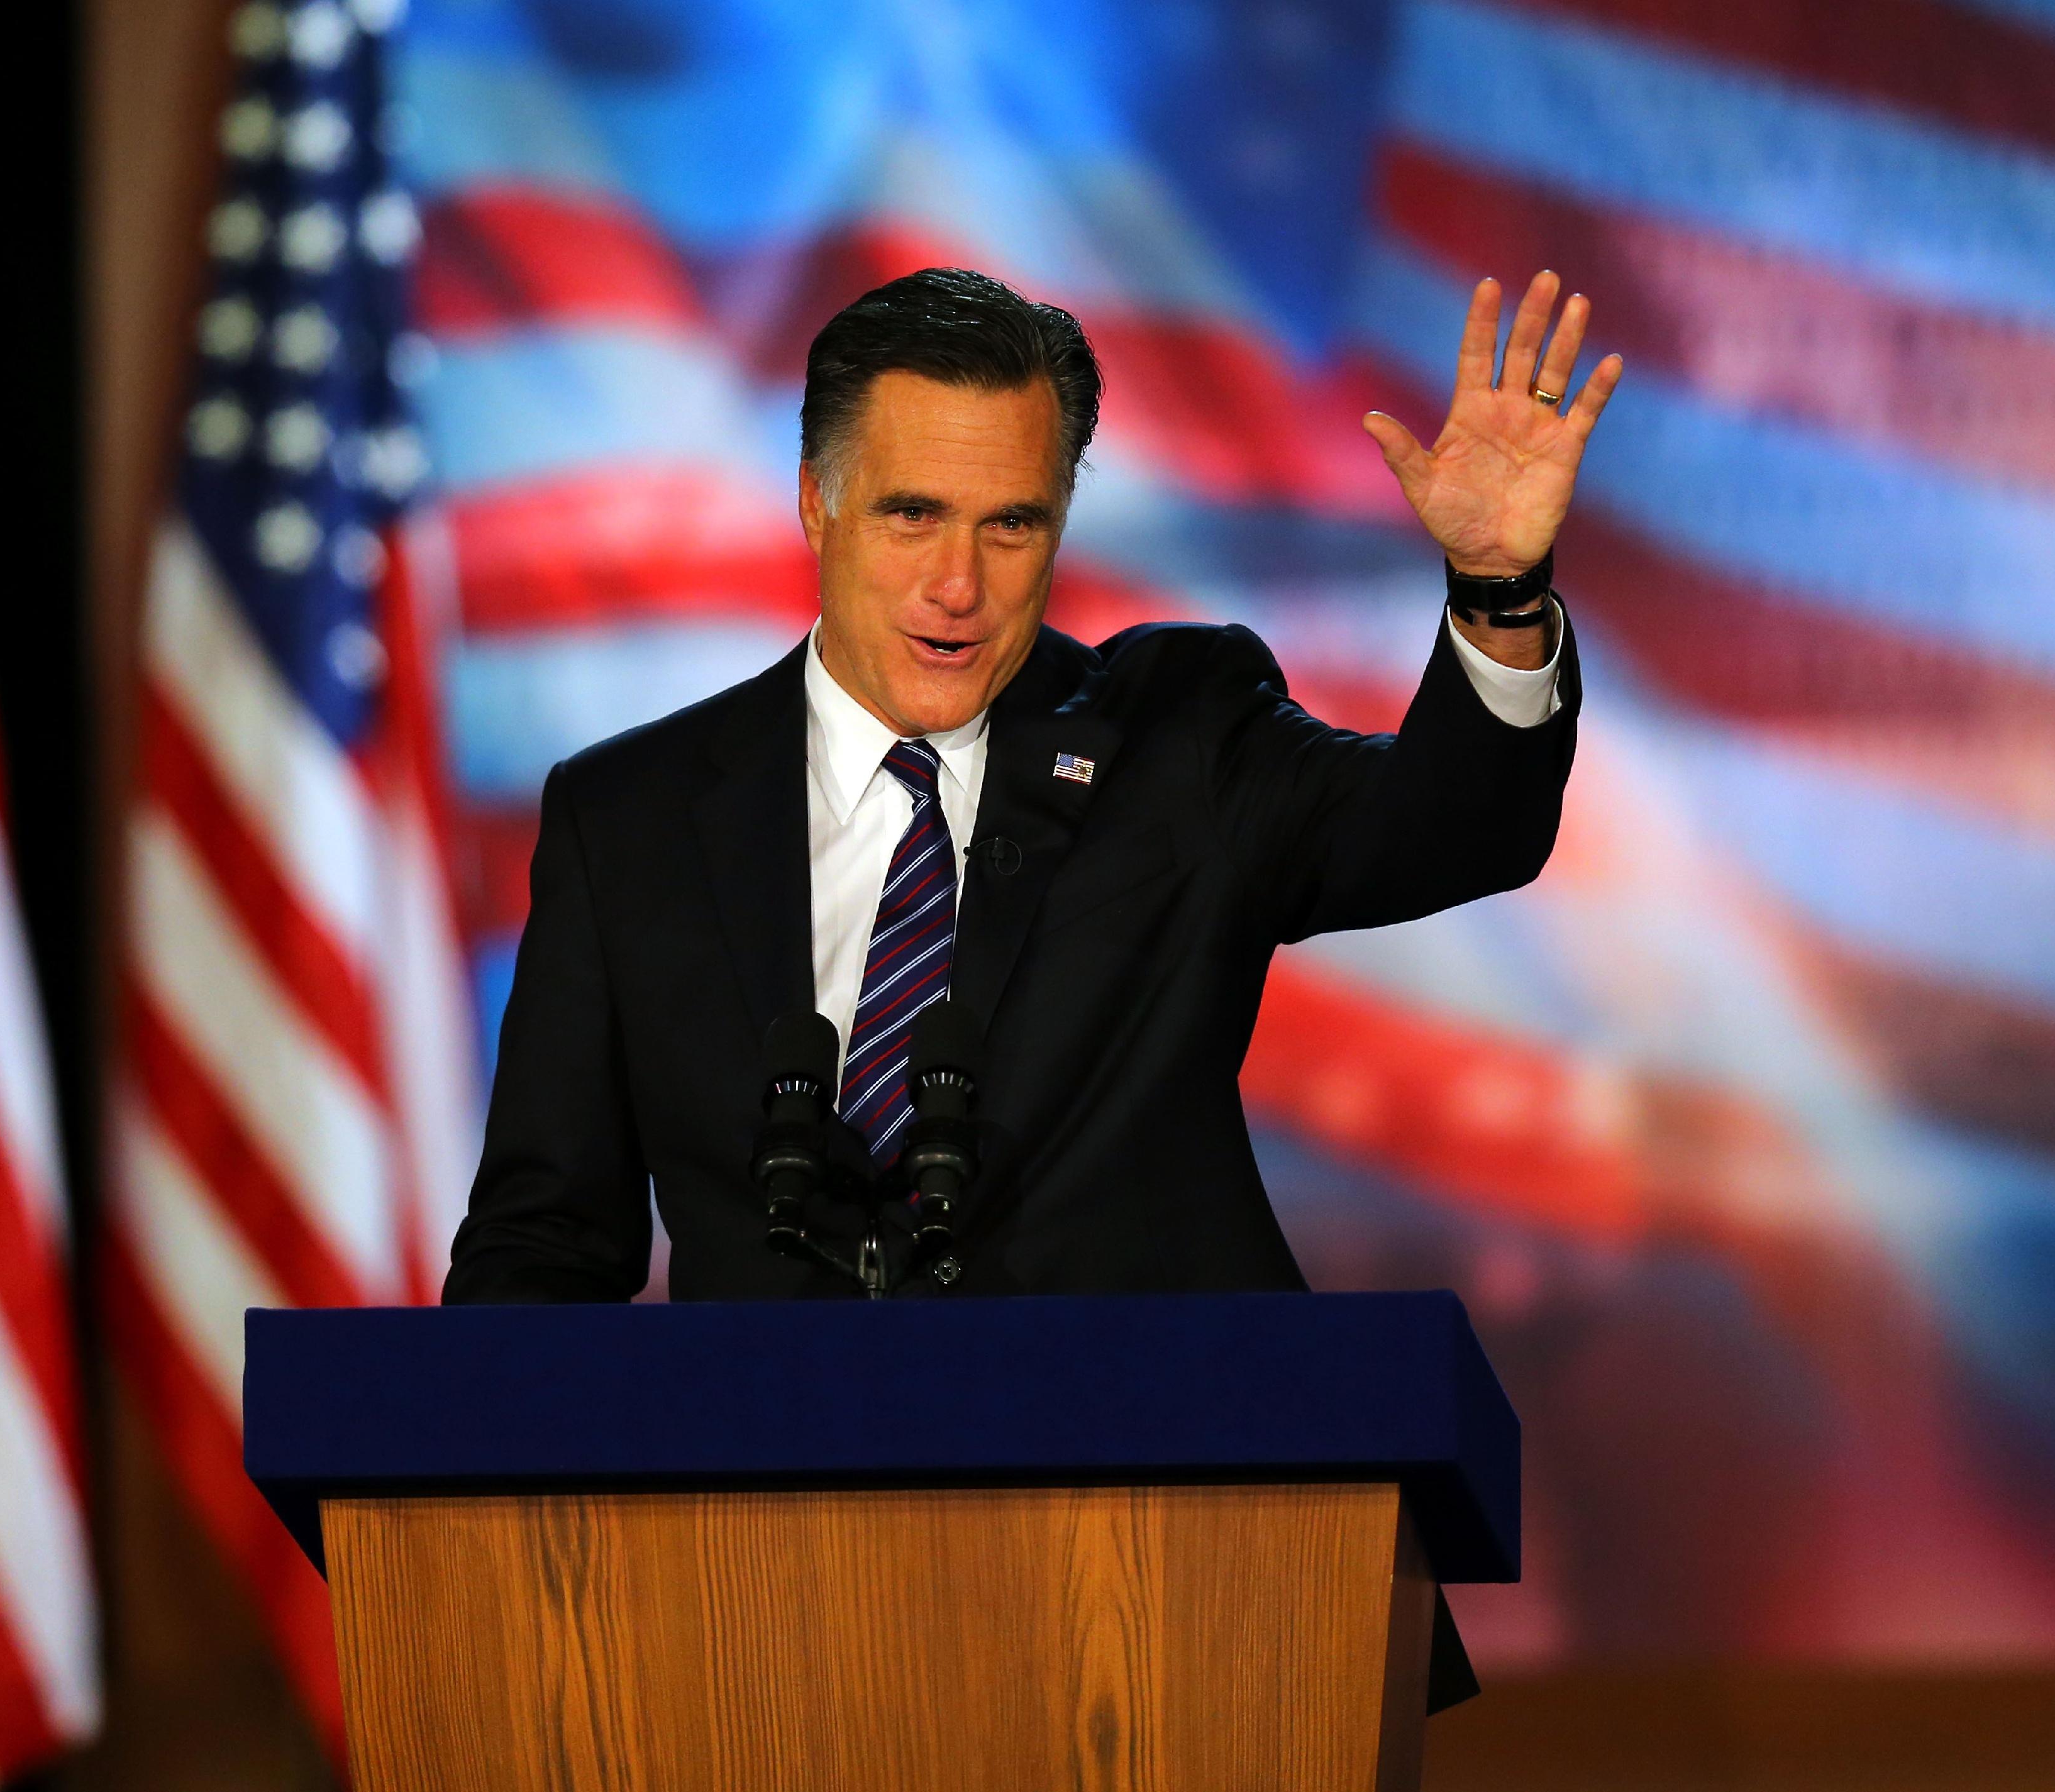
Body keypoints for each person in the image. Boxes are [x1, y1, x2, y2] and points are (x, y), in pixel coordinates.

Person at [443, 265, 1620, 1303]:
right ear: (819, 502)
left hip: (1168, 1512)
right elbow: (540, 1247)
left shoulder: (1176, 735)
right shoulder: (630, 819)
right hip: (769, 1530)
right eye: (913, 516)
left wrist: (1497, 592)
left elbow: (1452, 827)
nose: (957, 583)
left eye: (1010, 526)